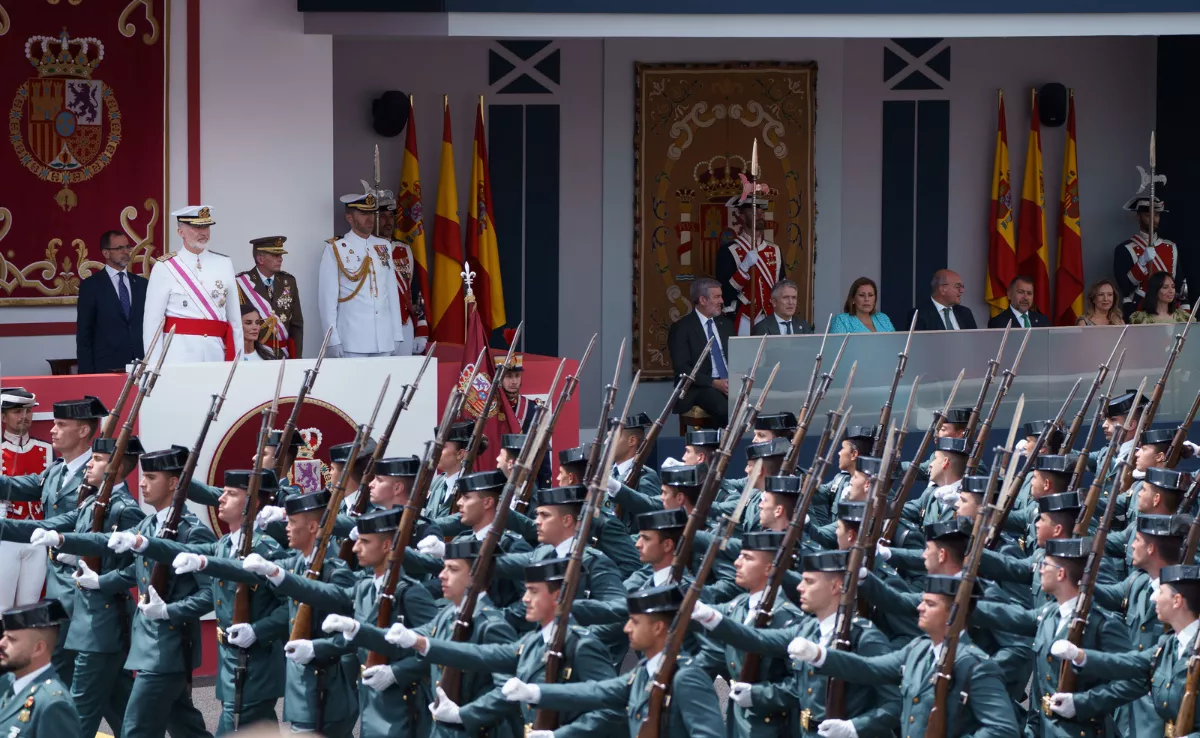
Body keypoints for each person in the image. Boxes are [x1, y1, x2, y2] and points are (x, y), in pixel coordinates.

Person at [46, 444, 216, 738]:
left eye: (151, 478)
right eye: (144, 476)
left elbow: (210, 593)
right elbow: (132, 569)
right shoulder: (148, 525)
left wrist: (169, 611)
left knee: (136, 728)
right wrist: (99, 578)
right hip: (145, 643)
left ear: (174, 483)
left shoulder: (192, 531)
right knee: (183, 724)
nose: (142, 483)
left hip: (170, 646)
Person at [118, 469, 289, 735]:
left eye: (231, 494)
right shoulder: (224, 545)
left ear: (253, 503)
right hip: (232, 664)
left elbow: (292, 605)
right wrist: (141, 542)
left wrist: (258, 631)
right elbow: (182, 550)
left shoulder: (265, 550)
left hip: (256, 666)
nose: (221, 499)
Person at [1, 435, 146, 738]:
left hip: (102, 621)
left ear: (116, 467)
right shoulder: (93, 501)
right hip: (85, 618)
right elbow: (52, 527)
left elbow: (140, 567)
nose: (88, 465)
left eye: (97, 460)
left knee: (80, 709)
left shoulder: (126, 509)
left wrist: (102, 579)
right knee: (121, 703)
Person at [498, 584, 726, 738]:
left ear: (658, 627)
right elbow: (596, 691)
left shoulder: (686, 677)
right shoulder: (645, 671)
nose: (626, 628)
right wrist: (533, 693)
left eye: (635, 622)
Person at [0, 396, 108, 684]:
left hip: (85, 587)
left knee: (81, 672)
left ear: (84, 431)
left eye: (61, 424)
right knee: (81, 674)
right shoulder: (56, 470)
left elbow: (57, 524)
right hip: (59, 584)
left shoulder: (98, 478)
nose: (52, 430)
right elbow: (15, 485)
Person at [143, 206, 243, 363]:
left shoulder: (224, 263)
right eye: (197, 227)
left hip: (215, 352)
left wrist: (239, 361)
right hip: (178, 355)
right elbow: (152, 323)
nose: (203, 232)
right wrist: (153, 365)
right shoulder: (165, 266)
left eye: (206, 226)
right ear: (180, 232)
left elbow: (235, 321)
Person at [319, 185, 405, 358]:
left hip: (384, 337)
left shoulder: (384, 246)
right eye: (364, 214)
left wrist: (396, 333)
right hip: (353, 337)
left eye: (372, 213)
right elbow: (327, 299)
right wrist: (332, 338)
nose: (370, 219)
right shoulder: (336, 248)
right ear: (350, 218)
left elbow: (391, 293)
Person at [0, 387, 51, 611]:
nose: (24, 417)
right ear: (3, 417)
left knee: (31, 607)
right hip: (6, 536)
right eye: (16, 411)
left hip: (37, 536)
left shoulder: (46, 449)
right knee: (2, 608)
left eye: (28, 411)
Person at [0, 599, 81, 738]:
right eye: (3, 637)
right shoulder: (5, 683)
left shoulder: (52, 704)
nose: (2, 643)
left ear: (38, 648)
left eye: (12, 640)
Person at [76, 229, 147, 373]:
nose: (126, 251)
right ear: (106, 253)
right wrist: (86, 374)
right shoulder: (91, 286)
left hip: (140, 365)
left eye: (127, 247)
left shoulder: (141, 284)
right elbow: (84, 334)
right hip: (106, 366)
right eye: (120, 248)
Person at [716, 183, 782, 335]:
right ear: (741, 215)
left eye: (761, 210)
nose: (759, 214)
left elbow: (781, 286)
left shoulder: (775, 250)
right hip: (743, 316)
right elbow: (725, 293)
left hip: (770, 317)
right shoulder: (728, 251)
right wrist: (744, 268)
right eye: (753, 210)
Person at [667, 277, 732, 428]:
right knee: (726, 409)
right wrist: (714, 383)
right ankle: (717, 448)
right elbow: (682, 368)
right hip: (699, 387)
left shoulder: (726, 325)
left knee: (757, 404)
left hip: (729, 383)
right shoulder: (682, 328)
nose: (721, 301)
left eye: (721, 296)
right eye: (717, 297)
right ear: (702, 300)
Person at [1114, 185, 1181, 318]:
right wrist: (1141, 262)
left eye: (1156, 215)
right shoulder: (1124, 249)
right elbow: (1125, 287)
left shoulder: (1170, 247)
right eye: (1148, 215)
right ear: (1138, 217)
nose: (1153, 219)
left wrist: (1185, 309)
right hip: (1139, 308)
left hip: (1169, 309)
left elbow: (1178, 282)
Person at [376, 194, 429, 355]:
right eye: (383, 216)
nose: (388, 221)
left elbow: (414, 291)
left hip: (404, 323)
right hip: (378, 325)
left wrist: (421, 328)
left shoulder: (403, 249)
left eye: (391, 216)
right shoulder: (366, 250)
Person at [236, 236, 303, 358]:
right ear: (260, 259)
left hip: (283, 354)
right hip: (255, 354)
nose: (281, 259)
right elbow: (236, 324)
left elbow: (296, 324)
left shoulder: (288, 281)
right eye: (276, 256)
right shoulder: (241, 283)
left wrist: (297, 357)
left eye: (281, 256)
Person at [909, 269, 978, 330]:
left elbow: (975, 340)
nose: (962, 290)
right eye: (957, 286)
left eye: (962, 287)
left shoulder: (965, 313)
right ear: (943, 289)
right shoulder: (918, 315)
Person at [830, 277, 895, 333]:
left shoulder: (883, 318)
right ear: (853, 299)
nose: (866, 299)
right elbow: (836, 347)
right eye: (861, 295)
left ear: (875, 299)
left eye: (870, 295)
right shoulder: (841, 321)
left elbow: (894, 344)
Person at [986, 275, 1050, 328]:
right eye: (1021, 292)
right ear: (1009, 295)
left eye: (1029, 293)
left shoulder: (1043, 321)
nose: (1025, 297)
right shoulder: (997, 323)